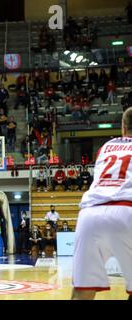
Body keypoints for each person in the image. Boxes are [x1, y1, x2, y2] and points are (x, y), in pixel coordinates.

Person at [72, 108, 132, 300]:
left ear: (123, 128)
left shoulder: (105, 147)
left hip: (90, 214)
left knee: (82, 291)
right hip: (127, 210)